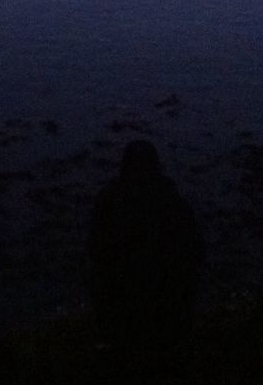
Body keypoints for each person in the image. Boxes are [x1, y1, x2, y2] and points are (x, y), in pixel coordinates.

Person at [89, 140, 203, 366]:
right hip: (165, 301)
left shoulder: (109, 201)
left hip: (125, 298)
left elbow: (96, 250)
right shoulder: (174, 202)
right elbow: (194, 251)